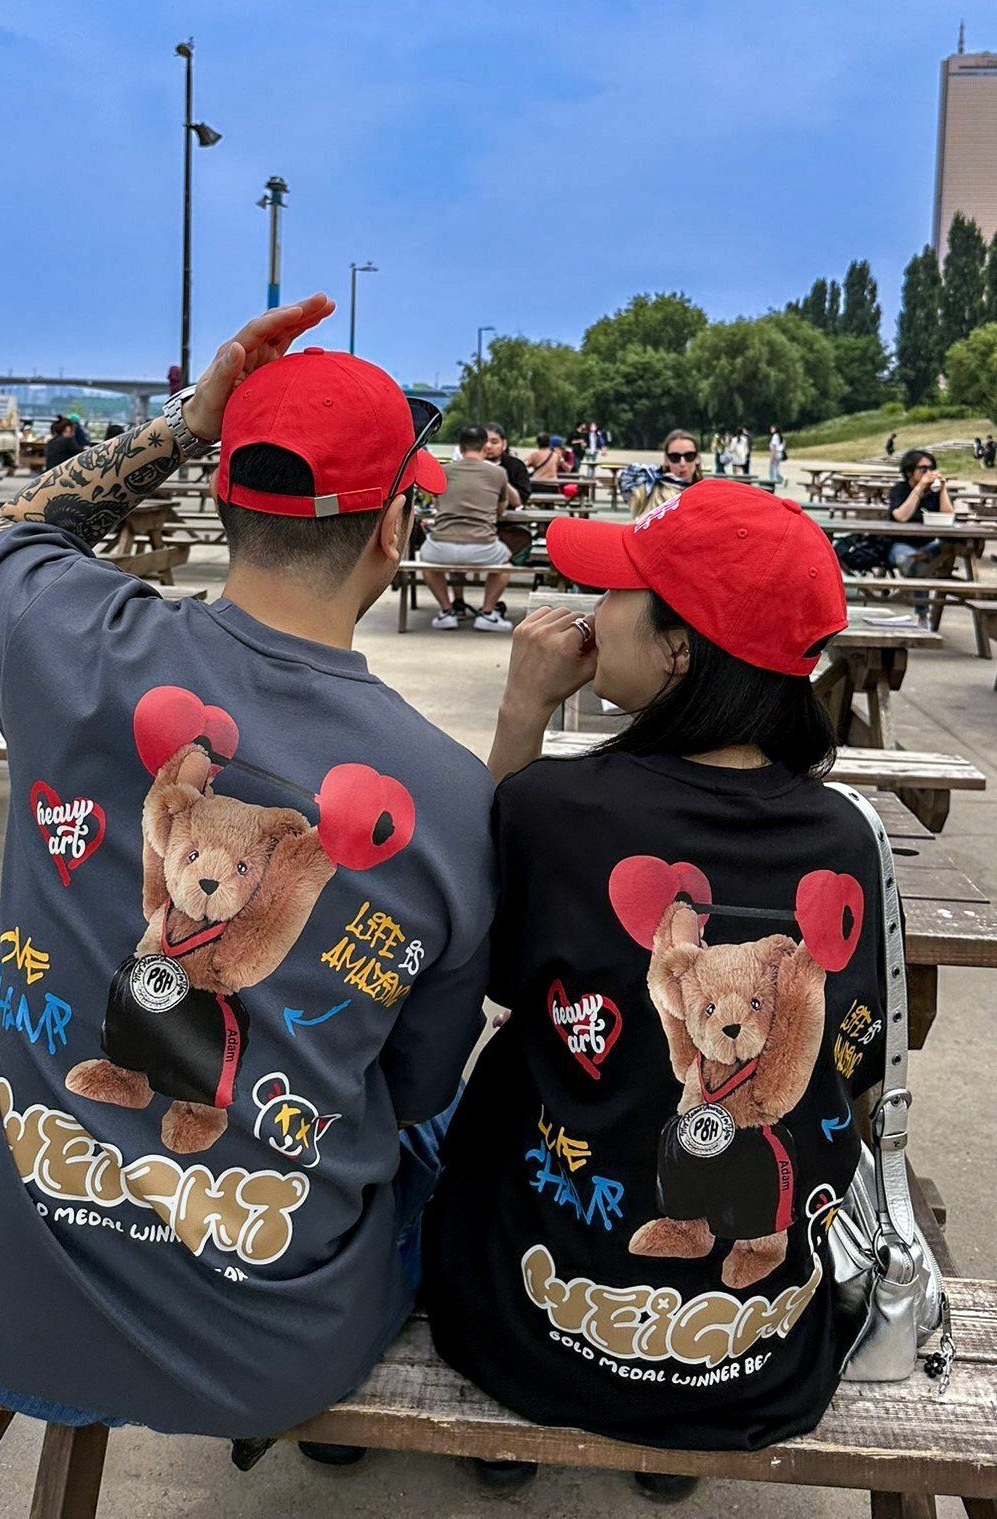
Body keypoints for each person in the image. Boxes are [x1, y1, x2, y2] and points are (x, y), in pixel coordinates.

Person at [0, 296, 500, 1446]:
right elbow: (412, 1090)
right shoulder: (450, 799)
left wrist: (186, 419)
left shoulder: (70, 641)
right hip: (264, 1359)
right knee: (440, 1114)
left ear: (219, 496)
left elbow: (19, 528)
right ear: (394, 529)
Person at [424, 478, 891, 1479]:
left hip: (530, 1324)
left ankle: (526, 1419)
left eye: (613, 592)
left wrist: (522, 706)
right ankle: (671, 1423)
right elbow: (853, 1061)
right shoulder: (844, 835)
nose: (589, 612)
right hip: (758, 1354)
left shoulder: (554, 806)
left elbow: (481, 966)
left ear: (678, 649)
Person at [419, 424, 516, 631]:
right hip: (483, 547)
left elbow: (437, 505)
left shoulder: (443, 471)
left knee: (426, 561)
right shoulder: (499, 474)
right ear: (485, 447)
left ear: (460, 447)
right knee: (505, 565)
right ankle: (487, 614)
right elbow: (500, 510)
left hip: (441, 546)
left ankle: (447, 611)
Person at [884, 448, 955, 624]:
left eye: (931, 468)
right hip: (900, 544)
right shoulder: (900, 490)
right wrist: (919, 488)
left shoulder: (933, 492)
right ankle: (923, 615)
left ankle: (918, 564)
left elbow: (948, 516)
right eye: (923, 469)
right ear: (909, 471)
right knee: (916, 563)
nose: (928, 472)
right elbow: (901, 516)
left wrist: (943, 490)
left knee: (943, 549)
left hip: (928, 544)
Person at [619, 428, 703, 519]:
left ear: (697, 458)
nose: (682, 463)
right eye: (675, 457)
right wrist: (665, 479)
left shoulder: (705, 490)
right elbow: (627, 478)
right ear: (666, 460)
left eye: (689, 456)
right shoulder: (654, 488)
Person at [484, 422, 531, 506]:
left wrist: (499, 476)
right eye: (484, 442)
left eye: (494, 442)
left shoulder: (516, 466)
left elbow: (519, 502)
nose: (488, 446)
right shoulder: (472, 465)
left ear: (504, 444)